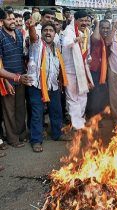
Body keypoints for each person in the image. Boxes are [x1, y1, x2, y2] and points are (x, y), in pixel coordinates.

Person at [27, 22, 72, 152]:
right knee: (37, 114)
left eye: (51, 30)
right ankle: (36, 140)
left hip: (53, 86)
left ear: (54, 34)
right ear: (42, 33)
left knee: (56, 110)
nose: (48, 32)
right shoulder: (37, 45)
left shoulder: (56, 47)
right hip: (37, 85)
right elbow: (33, 36)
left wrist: (59, 80)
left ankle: (57, 134)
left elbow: (57, 67)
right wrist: (31, 27)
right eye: (45, 30)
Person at [0, 9, 29, 149]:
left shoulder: (18, 33)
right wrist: (6, 81)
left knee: (20, 108)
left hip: (21, 77)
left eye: (13, 19)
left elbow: (21, 55)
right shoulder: (0, 35)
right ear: (2, 21)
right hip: (8, 79)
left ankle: (21, 134)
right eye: (8, 19)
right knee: (9, 111)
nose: (12, 21)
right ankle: (13, 139)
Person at [62, 10, 93, 130]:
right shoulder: (69, 31)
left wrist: (88, 57)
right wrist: (75, 40)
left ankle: (79, 120)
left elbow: (86, 48)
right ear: (75, 20)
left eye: (86, 20)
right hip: (70, 69)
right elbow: (66, 43)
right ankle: (76, 124)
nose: (84, 23)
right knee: (72, 97)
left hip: (82, 68)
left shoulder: (87, 31)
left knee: (83, 95)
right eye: (82, 20)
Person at [85, 19, 111, 118]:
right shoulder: (95, 36)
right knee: (94, 95)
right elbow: (95, 39)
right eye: (103, 28)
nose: (105, 30)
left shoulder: (108, 39)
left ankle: (98, 116)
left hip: (104, 71)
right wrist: (97, 23)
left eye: (107, 28)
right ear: (99, 28)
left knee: (102, 95)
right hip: (94, 70)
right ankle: (91, 118)